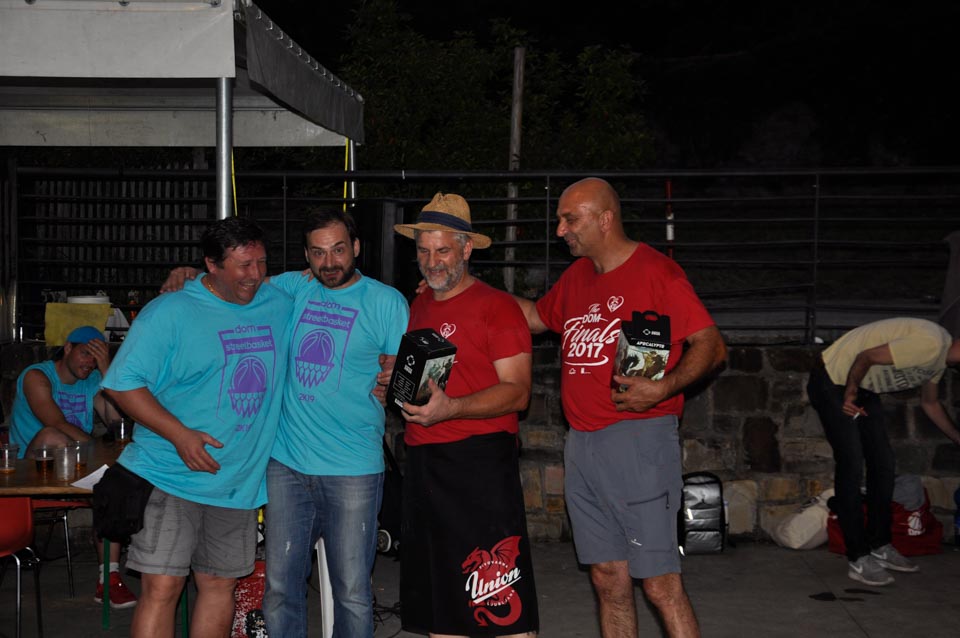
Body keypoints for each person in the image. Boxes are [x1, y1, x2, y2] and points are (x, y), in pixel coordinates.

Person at [162, 209, 409, 638]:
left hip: (353, 467)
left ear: (356, 248)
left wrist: (393, 384)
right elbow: (236, 282)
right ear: (306, 256)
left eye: (338, 250)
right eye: (318, 252)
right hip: (286, 465)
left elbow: (401, 380)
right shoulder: (294, 288)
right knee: (279, 587)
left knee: (352, 591)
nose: (329, 262)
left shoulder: (387, 302)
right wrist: (190, 274)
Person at [511, 177, 726, 638]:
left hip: (640, 440)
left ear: (605, 219)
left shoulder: (657, 272)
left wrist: (664, 387)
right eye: (559, 219)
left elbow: (710, 344)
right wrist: (470, 289)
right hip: (582, 445)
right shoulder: (577, 276)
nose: (560, 229)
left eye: (570, 219)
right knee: (608, 578)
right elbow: (533, 318)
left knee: (660, 584)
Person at [101, 217, 293, 638]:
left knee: (220, 585)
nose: (255, 275)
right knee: (162, 587)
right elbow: (121, 384)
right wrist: (179, 434)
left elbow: (333, 289)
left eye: (261, 263)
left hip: (237, 482)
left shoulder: (278, 302)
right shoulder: (169, 312)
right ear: (211, 264)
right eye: (243, 265)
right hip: (171, 474)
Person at [393, 192, 539, 638]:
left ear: (467, 248)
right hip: (423, 464)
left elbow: (518, 393)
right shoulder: (418, 304)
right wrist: (393, 380)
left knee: (498, 597)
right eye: (423, 251)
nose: (431, 262)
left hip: (479, 465)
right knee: (443, 606)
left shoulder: (498, 307)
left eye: (442, 251)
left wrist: (452, 408)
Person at [807, 317, 960, 586]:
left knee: (884, 464)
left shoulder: (938, 359)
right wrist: (850, 392)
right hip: (833, 379)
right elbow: (865, 356)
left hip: (861, 386)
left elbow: (931, 403)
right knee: (852, 463)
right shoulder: (931, 343)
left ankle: (879, 544)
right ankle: (858, 556)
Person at [10, 325, 137, 608]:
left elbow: (118, 425)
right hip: (34, 471)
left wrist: (107, 372)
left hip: (76, 467)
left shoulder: (92, 380)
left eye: (96, 357)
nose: (89, 363)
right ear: (68, 348)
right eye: (85, 354)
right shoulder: (37, 376)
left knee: (112, 489)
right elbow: (55, 423)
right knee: (52, 436)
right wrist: (98, 452)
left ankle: (109, 579)